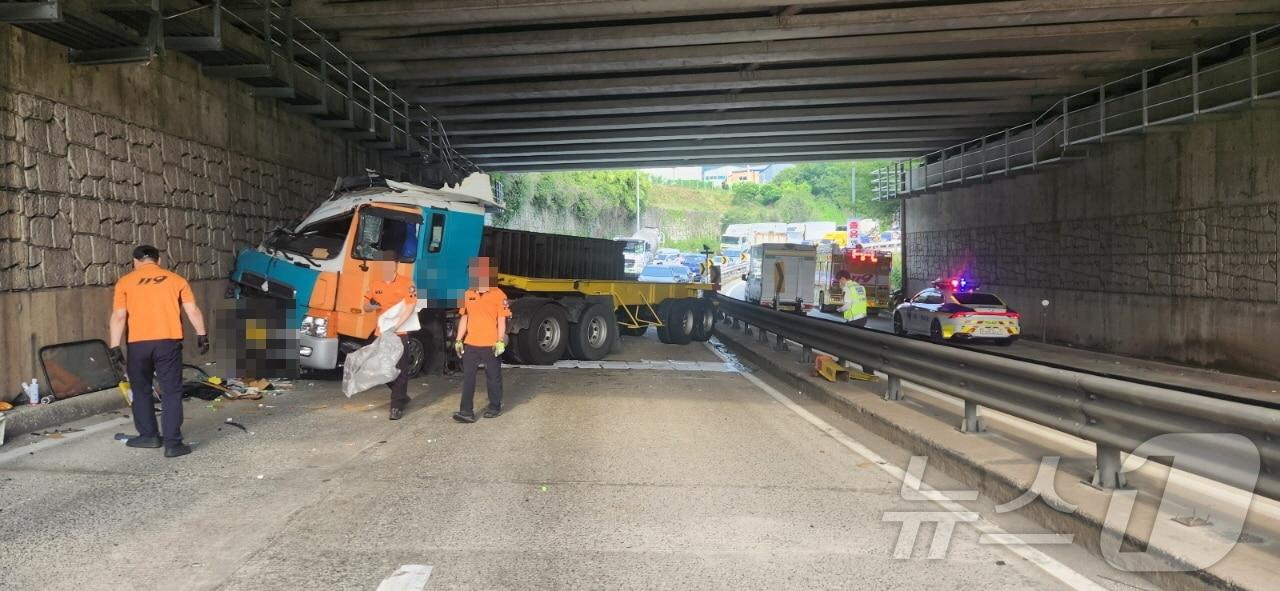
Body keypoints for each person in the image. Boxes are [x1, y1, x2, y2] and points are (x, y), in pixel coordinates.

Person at [108, 245, 208, 458]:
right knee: (171, 391)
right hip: (167, 343)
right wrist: (202, 334)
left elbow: (119, 316)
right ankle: (173, 444)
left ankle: (149, 436)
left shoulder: (125, 282)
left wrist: (114, 346)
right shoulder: (176, 280)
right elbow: (192, 310)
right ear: (158, 260)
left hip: (138, 344)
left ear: (135, 261)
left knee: (141, 388)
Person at [452, 257, 511, 423]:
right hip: (471, 343)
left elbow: (502, 320)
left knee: (493, 376)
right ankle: (466, 411)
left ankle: (494, 407)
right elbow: (464, 317)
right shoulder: (467, 294)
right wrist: (458, 339)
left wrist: (500, 340)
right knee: (468, 378)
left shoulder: (499, 295)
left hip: (491, 344)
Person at [364, 264, 419, 421]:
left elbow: (410, 305)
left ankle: (396, 407)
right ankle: (401, 395)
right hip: (382, 332)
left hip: (400, 332)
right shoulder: (375, 284)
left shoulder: (406, 283)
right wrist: (371, 305)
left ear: (394, 269)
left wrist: (397, 325)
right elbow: (366, 307)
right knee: (382, 369)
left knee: (400, 368)